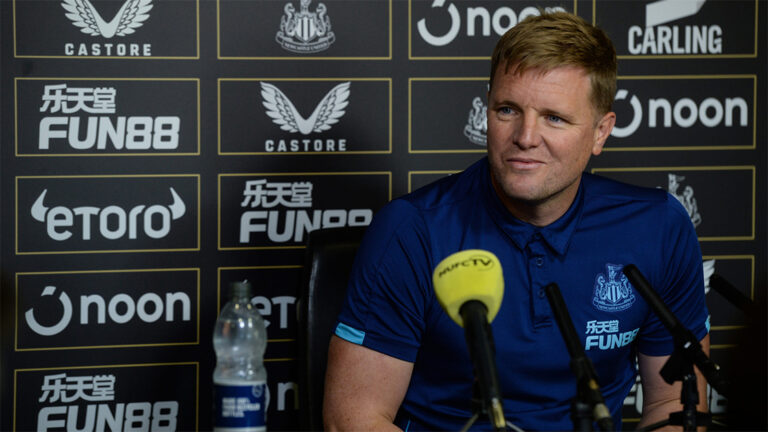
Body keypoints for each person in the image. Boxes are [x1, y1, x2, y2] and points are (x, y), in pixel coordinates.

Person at [323, 11, 710, 431]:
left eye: (554, 118)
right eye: (507, 110)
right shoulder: (412, 230)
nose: (525, 137)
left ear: (601, 132)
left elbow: (675, 402)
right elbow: (355, 419)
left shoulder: (657, 228)